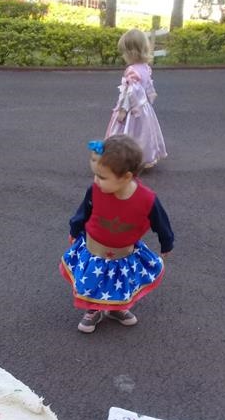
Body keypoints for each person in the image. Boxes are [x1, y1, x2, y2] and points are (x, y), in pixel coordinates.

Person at [60, 135, 174, 333]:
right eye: (95, 174)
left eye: (102, 177)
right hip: (94, 250)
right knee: (93, 280)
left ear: (126, 177)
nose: (96, 180)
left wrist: (167, 243)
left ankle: (116, 308)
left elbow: (161, 223)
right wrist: (75, 229)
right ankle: (94, 309)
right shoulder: (95, 190)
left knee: (121, 281)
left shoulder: (147, 200)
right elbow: (83, 212)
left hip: (124, 254)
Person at [105, 29, 167, 169]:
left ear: (131, 52)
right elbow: (148, 87)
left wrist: (123, 110)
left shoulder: (132, 70)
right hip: (144, 107)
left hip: (132, 109)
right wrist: (149, 99)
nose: (123, 56)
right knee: (143, 133)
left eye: (124, 52)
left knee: (128, 132)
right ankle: (144, 156)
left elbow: (130, 93)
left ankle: (124, 159)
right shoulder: (145, 68)